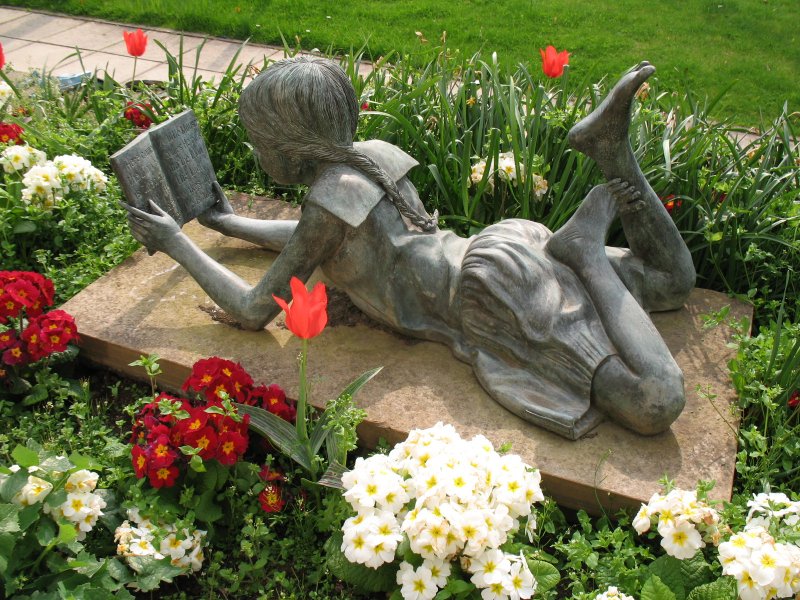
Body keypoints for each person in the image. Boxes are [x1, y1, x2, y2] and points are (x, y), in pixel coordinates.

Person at [125, 57, 695, 440]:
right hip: (506, 250)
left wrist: (180, 244)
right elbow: (308, 246)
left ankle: (587, 255)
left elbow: (253, 310)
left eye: (258, 143)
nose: (255, 152)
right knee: (670, 282)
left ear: (287, 145)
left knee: (654, 402)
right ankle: (613, 157)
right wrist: (227, 224)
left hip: (491, 298)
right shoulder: (368, 157)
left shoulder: (330, 201)